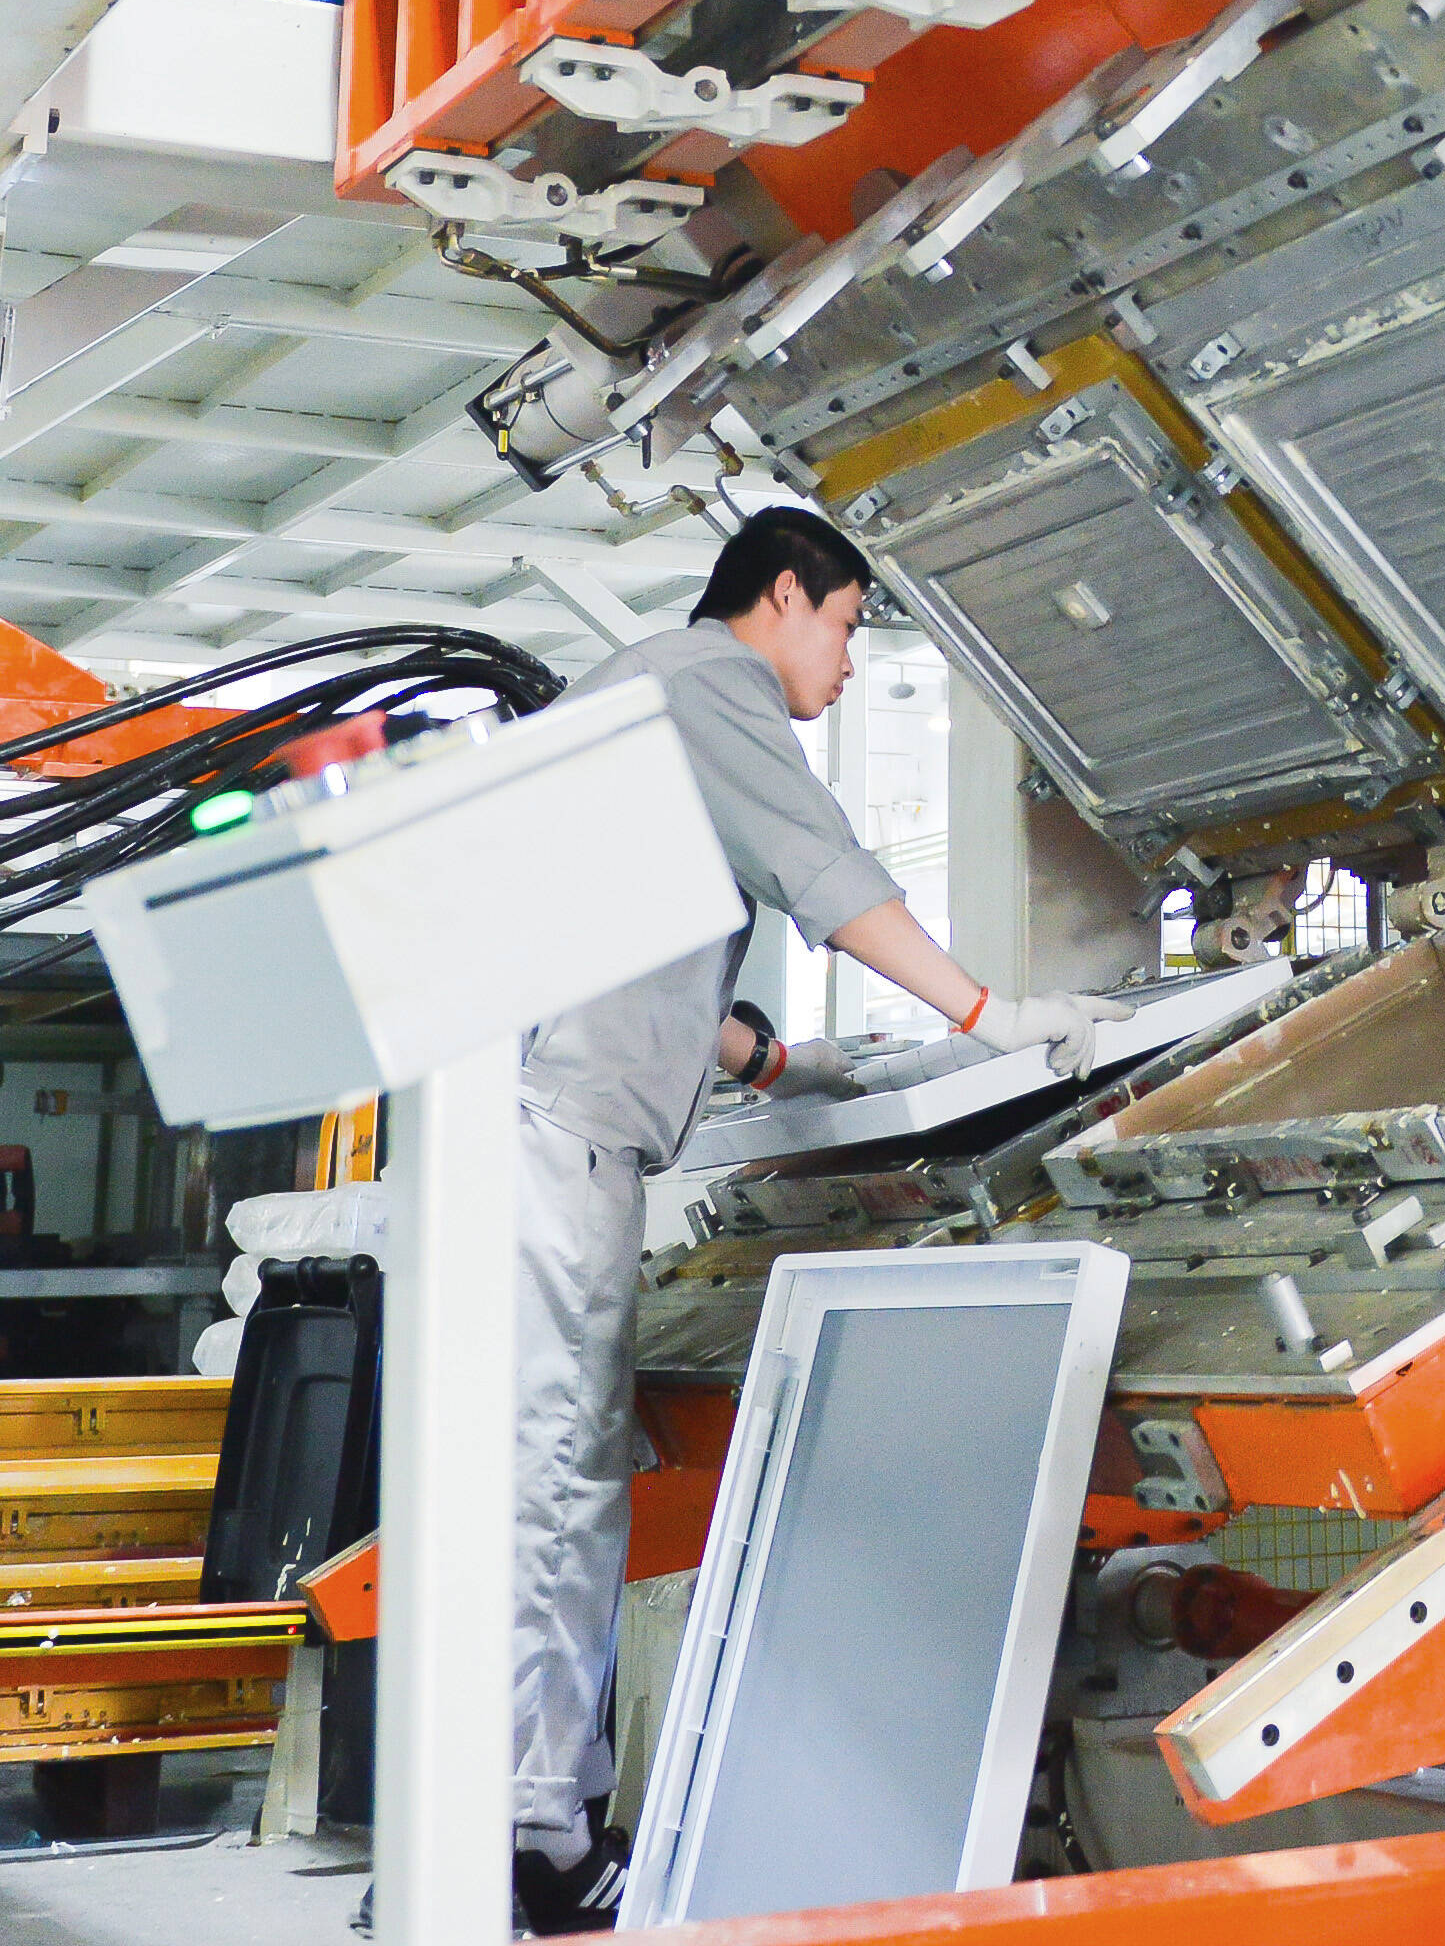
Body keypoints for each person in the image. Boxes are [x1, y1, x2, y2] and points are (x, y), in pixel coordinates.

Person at [506, 506, 1127, 1934]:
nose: (848, 665)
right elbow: (827, 874)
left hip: (533, 1123)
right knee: (559, 1481)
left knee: (534, 1475)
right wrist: (993, 1015)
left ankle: (504, 1818)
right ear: (784, 594)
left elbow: (629, 946)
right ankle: (534, 1840)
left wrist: (780, 1063)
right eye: (847, 625)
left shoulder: (637, 688)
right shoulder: (709, 682)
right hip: (553, 1138)